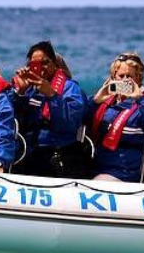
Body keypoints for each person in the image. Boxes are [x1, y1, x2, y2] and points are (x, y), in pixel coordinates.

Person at [9, 40, 86, 177]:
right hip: (29, 151)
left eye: (45, 63)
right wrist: (20, 93)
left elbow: (70, 125)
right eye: (35, 65)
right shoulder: (29, 89)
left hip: (58, 153)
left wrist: (51, 95)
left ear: (55, 64)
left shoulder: (71, 89)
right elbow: (13, 122)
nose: (41, 68)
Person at [86, 53, 144, 181]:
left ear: (138, 79)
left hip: (123, 172)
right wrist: (95, 100)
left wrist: (139, 98)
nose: (124, 80)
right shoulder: (106, 101)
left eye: (129, 77)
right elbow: (77, 120)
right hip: (96, 166)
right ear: (113, 77)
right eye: (121, 76)